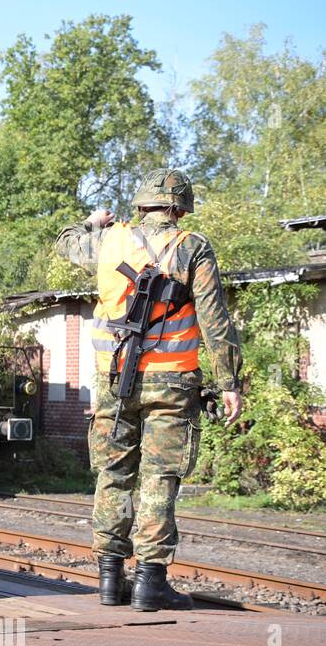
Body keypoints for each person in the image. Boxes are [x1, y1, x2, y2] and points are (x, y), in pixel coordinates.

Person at [53, 168, 243, 612]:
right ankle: (150, 584)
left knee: (113, 473)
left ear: (141, 205)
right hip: (173, 383)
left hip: (115, 383)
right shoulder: (192, 247)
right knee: (159, 477)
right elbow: (216, 323)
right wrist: (230, 383)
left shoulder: (109, 241)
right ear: (180, 208)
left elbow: (64, 241)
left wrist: (92, 222)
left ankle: (108, 579)